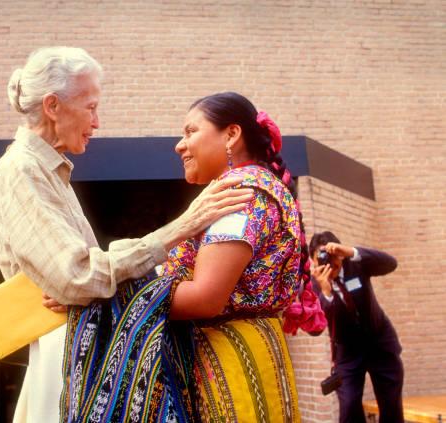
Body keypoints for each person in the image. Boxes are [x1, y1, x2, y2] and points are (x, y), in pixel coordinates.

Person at [0, 47, 253, 423]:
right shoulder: (21, 169)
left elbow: (84, 274)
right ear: (53, 106)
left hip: (71, 345)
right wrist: (183, 226)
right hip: (59, 350)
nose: (97, 122)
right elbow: (78, 276)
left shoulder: (47, 171)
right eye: (90, 107)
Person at [62, 92, 325, 422]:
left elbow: (205, 298)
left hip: (230, 364)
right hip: (245, 352)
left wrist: (97, 295)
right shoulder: (249, 188)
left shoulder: (238, 194)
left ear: (231, 134)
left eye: (190, 131)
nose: (179, 145)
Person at [309, 231, 403, 423]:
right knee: (350, 406)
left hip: (380, 343)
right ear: (312, 261)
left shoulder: (355, 263)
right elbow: (314, 329)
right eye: (321, 257)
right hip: (347, 351)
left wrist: (352, 251)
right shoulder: (313, 286)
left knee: (391, 405)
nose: (329, 263)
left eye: (332, 255)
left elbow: (390, 263)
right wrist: (326, 295)